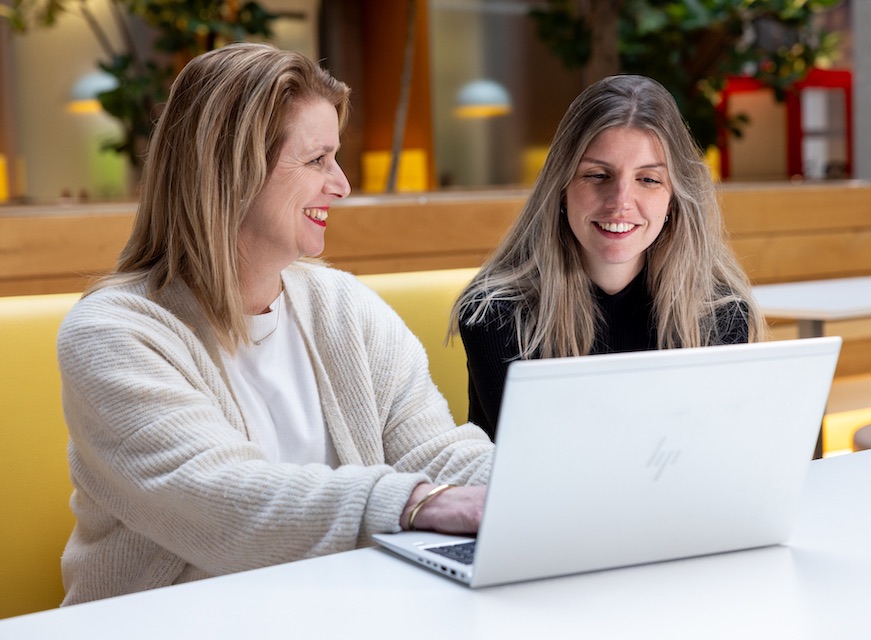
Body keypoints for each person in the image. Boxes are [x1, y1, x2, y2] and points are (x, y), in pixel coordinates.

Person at [56, 42, 492, 606]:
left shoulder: (345, 308)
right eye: (316, 161)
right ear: (231, 170)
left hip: (337, 611)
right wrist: (415, 503)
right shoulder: (114, 335)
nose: (341, 184)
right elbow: (221, 501)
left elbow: (435, 452)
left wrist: (542, 480)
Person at [451, 75, 767, 440]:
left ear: (674, 199)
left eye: (648, 179)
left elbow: (720, 449)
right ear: (562, 189)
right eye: (597, 175)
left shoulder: (719, 310)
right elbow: (543, 464)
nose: (620, 202)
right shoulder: (496, 311)